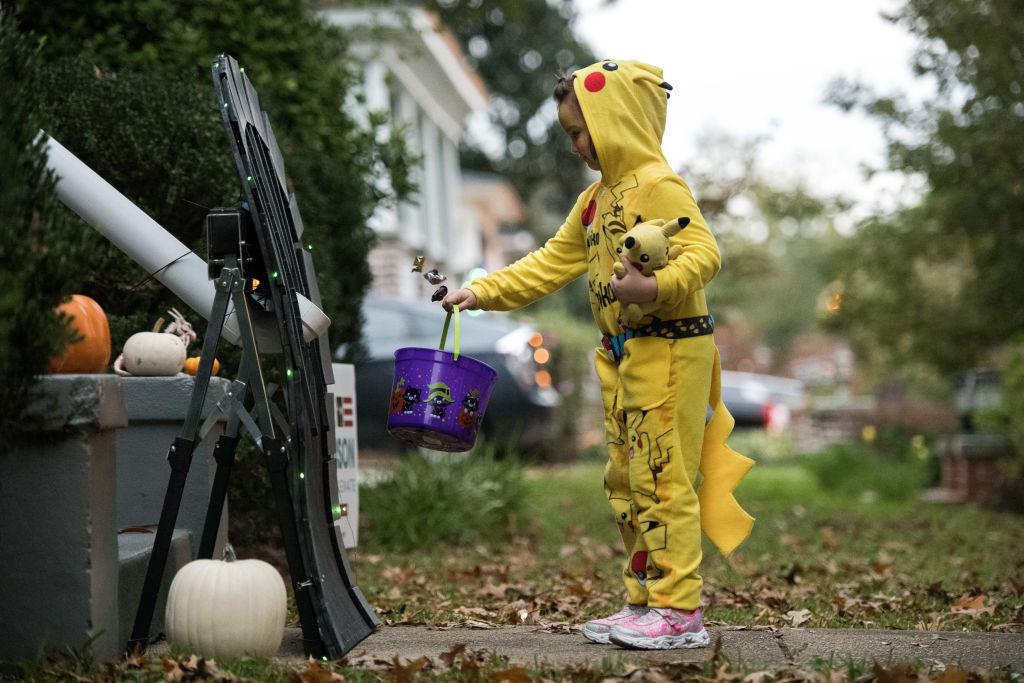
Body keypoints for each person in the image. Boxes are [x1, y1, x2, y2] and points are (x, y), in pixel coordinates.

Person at [442, 60, 754, 650]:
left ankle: (679, 610)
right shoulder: (594, 201)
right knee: (628, 482)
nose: (574, 146)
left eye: (579, 132)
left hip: (669, 350)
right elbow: (547, 263)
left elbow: (702, 252)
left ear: (616, 121)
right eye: (568, 134)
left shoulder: (659, 185)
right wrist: (478, 292)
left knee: (663, 479)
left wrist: (653, 288)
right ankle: (644, 601)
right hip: (621, 358)